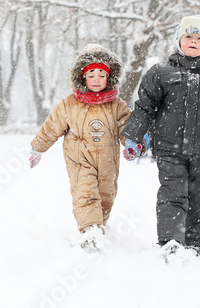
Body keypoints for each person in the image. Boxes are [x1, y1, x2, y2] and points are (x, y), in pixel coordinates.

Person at [122, 15, 200, 262]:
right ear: (178, 40)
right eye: (188, 36)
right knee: (172, 193)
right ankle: (171, 242)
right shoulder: (161, 72)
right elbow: (145, 106)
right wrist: (134, 136)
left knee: (199, 196)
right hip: (169, 149)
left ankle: (194, 243)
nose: (194, 41)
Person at [29, 44, 145, 252]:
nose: (97, 79)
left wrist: (132, 144)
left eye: (102, 74)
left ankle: (99, 225)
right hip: (80, 161)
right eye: (91, 74)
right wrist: (37, 148)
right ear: (82, 78)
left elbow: (128, 128)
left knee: (106, 196)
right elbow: (51, 127)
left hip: (108, 162)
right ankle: (90, 231)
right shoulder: (69, 104)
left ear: (109, 78)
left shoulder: (117, 105)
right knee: (85, 193)